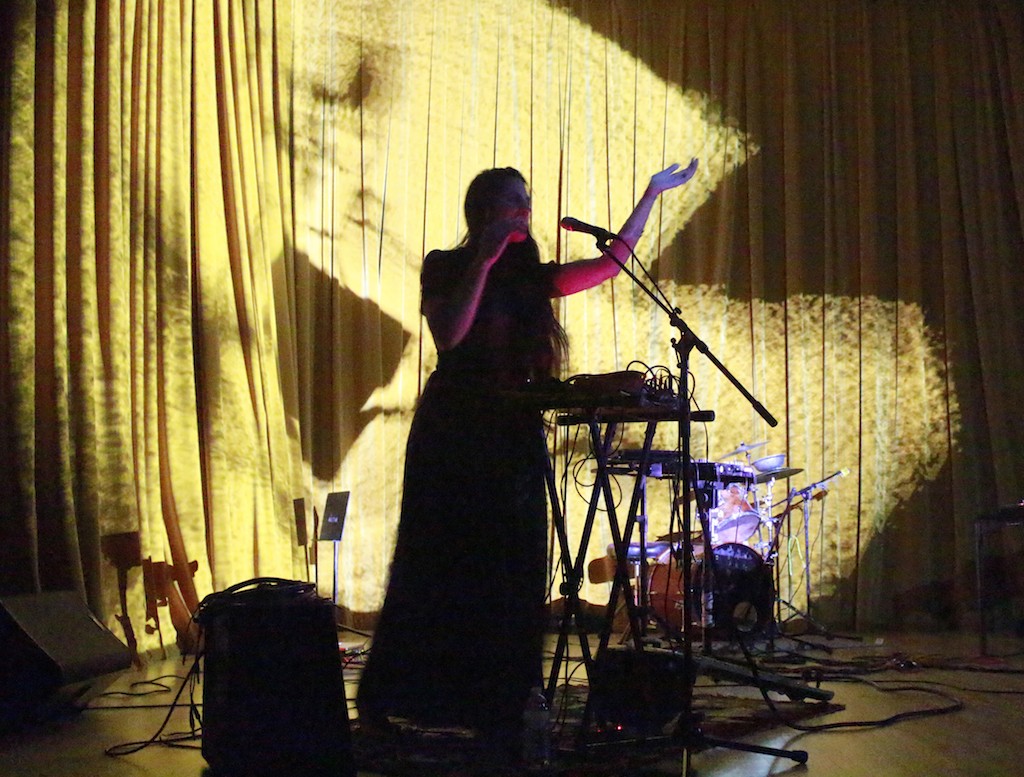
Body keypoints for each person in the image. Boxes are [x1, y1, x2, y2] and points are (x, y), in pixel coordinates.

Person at [356, 160, 699, 748]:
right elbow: (451, 336)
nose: (525, 210)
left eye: (526, 201)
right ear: (483, 212)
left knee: (512, 571)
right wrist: (484, 259)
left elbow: (612, 262)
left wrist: (649, 193)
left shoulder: (532, 278)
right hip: (455, 434)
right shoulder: (448, 266)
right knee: (435, 565)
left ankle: (498, 702)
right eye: (513, 201)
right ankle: (400, 698)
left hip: (513, 432)